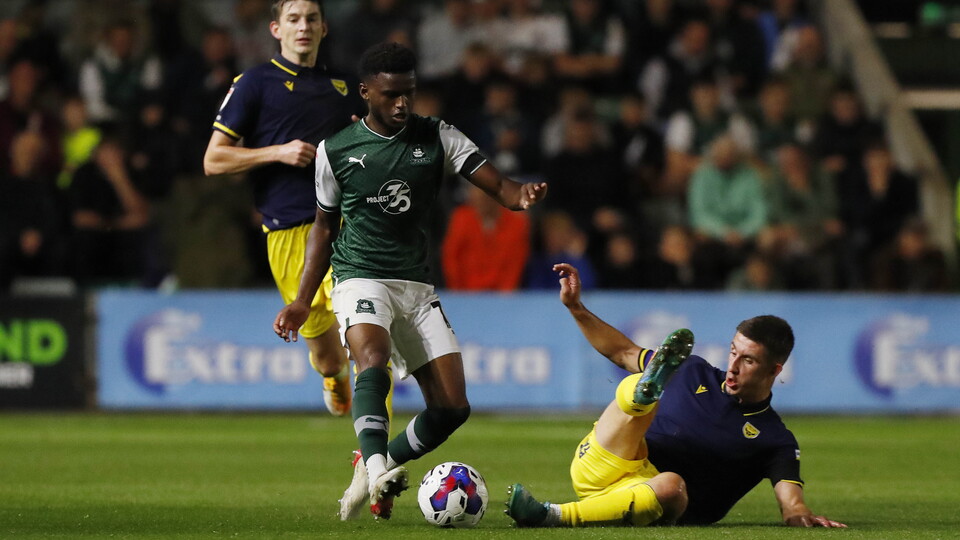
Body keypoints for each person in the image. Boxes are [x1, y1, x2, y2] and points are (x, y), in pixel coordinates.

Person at [272, 42, 547, 521]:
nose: (402, 103)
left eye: (409, 93)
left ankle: (373, 465)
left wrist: (520, 195)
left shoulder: (437, 135)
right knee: (371, 356)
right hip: (359, 276)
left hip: (416, 287)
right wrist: (301, 300)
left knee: (452, 408)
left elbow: (499, 186)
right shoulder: (336, 151)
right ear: (365, 92)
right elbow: (323, 227)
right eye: (391, 94)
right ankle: (379, 467)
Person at [505, 262, 846, 529]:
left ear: (774, 370)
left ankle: (551, 515)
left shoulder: (775, 439)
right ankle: (645, 391)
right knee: (635, 387)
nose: (733, 366)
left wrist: (800, 514)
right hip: (605, 462)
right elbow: (623, 352)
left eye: (748, 360)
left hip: (654, 498)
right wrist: (576, 307)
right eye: (732, 352)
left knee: (671, 484)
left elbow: (792, 504)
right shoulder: (691, 369)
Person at [203, 0, 362, 416]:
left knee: (368, 336)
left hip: (348, 227)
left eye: (311, 19)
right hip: (289, 233)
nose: (303, 26)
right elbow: (213, 159)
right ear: (276, 29)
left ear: (324, 28)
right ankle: (333, 376)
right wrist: (277, 152)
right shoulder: (255, 83)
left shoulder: (347, 85)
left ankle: (374, 448)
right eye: (293, 19)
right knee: (327, 354)